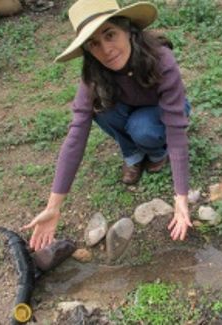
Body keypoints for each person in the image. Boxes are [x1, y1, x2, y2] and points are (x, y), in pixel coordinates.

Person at [21, 0, 193, 251]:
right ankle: (133, 155)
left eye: (110, 34)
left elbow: (176, 131)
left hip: (164, 112)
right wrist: (53, 206)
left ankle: (156, 152)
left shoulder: (160, 59)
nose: (106, 49)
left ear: (129, 31)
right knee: (100, 109)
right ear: (88, 50)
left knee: (142, 127)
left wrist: (181, 198)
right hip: (128, 110)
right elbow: (76, 135)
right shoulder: (93, 75)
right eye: (94, 43)